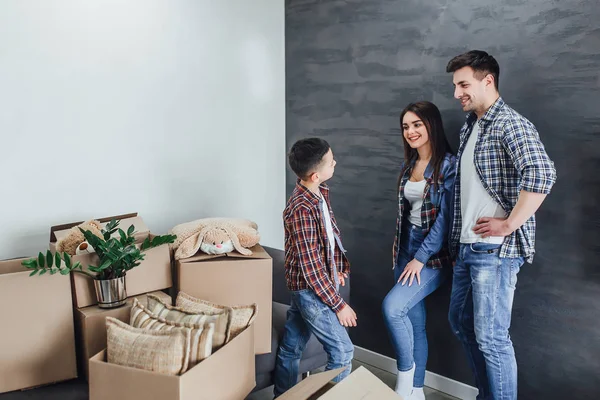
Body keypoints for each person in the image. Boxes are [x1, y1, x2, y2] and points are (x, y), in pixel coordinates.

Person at [446, 50, 557, 400]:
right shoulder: (472, 126)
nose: (457, 93)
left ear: (487, 80)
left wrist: (509, 224)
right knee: (461, 322)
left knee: (492, 338)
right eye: (455, 86)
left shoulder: (510, 123)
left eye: (463, 84)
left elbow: (542, 173)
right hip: (467, 248)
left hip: (494, 251)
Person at [382, 101, 456, 400]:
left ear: (431, 125)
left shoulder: (448, 165)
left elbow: (445, 220)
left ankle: (403, 385)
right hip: (404, 249)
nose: (410, 131)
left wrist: (420, 259)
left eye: (416, 124)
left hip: (431, 257)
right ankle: (416, 391)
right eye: (406, 126)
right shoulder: (407, 165)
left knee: (393, 308)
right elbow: (406, 215)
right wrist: (404, 254)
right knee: (414, 321)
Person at [273, 137, 356, 397]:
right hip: (310, 292)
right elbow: (310, 268)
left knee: (291, 348)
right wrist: (339, 305)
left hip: (309, 288)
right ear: (315, 175)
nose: (336, 163)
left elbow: (329, 239)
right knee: (343, 352)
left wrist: (338, 270)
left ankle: (282, 396)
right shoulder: (301, 209)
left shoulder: (319, 193)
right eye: (332, 162)